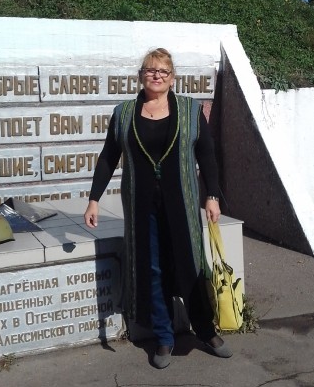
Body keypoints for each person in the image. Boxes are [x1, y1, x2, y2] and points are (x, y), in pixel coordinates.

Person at [84, 48, 232, 368]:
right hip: (141, 206)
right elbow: (109, 156)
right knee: (152, 268)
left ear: (172, 78)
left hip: (182, 202)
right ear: (141, 76)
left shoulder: (190, 110)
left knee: (190, 265)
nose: (156, 76)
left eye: (163, 71)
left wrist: (212, 195)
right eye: (150, 70)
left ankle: (206, 331)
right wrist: (94, 199)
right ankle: (164, 337)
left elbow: (207, 155)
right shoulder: (124, 113)